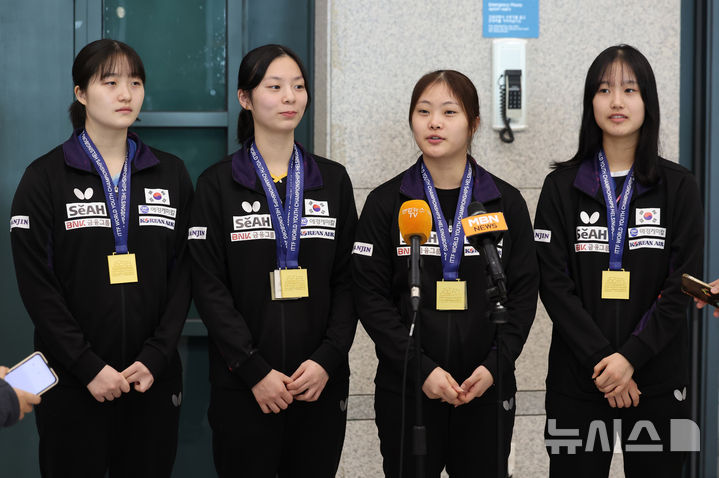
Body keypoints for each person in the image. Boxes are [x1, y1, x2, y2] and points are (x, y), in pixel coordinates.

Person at [10, 39, 192, 476]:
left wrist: (156, 356)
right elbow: (38, 286)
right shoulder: (45, 177)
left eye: (134, 82)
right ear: (80, 93)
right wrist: (88, 366)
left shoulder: (171, 173)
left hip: (151, 378)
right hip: (74, 382)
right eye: (109, 82)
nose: (125, 94)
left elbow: (186, 272)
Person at [352, 70, 538, 477]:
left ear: (472, 124)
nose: (434, 122)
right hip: (409, 389)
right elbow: (370, 297)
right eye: (423, 111)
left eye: (448, 112)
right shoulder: (388, 203)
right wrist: (422, 369)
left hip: (486, 388)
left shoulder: (504, 202)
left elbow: (523, 296)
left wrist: (494, 367)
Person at [189, 44, 357, 478]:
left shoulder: (332, 180)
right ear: (245, 98)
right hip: (245, 385)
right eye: (275, 86)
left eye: (298, 87)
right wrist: (254, 369)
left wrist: (327, 359)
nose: (289, 97)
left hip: (318, 384)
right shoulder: (217, 185)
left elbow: (349, 280)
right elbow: (209, 287)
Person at [534, 45, 703, 478]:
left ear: (648, 101)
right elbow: (554, 285)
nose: (616, 101)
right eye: (605, 89)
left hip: (660, 381)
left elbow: (679, 286)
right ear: (590, 101)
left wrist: (630, 358)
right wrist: (604, 362)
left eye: (630, 89)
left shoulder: (679, 186)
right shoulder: (561, 187)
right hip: (578, 382)